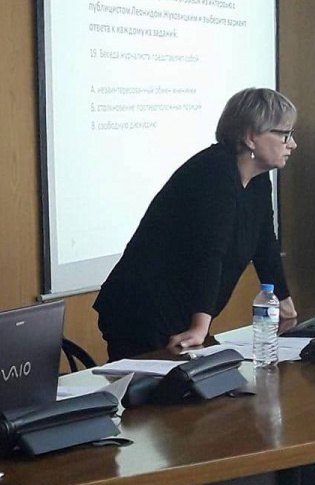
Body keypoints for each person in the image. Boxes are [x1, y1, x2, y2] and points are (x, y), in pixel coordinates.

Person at [93, 88, 299, 361]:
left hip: (177, 309)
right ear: (251, 137)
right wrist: (200, 327)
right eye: (285, 135)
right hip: (141, 308)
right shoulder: (214, 172)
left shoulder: (258, 180)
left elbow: (265, 245)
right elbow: (209, 253)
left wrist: (283, 301)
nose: (292, 144)